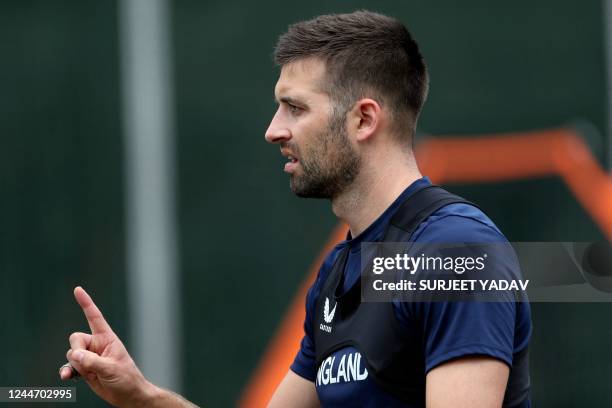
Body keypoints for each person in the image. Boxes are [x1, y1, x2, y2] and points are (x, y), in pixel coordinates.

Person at [60, 10, 531, 407]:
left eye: (295, 108)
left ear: (364, 118)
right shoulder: (338, 272)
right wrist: (144, 397)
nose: (273, 130)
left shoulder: (454, 251)